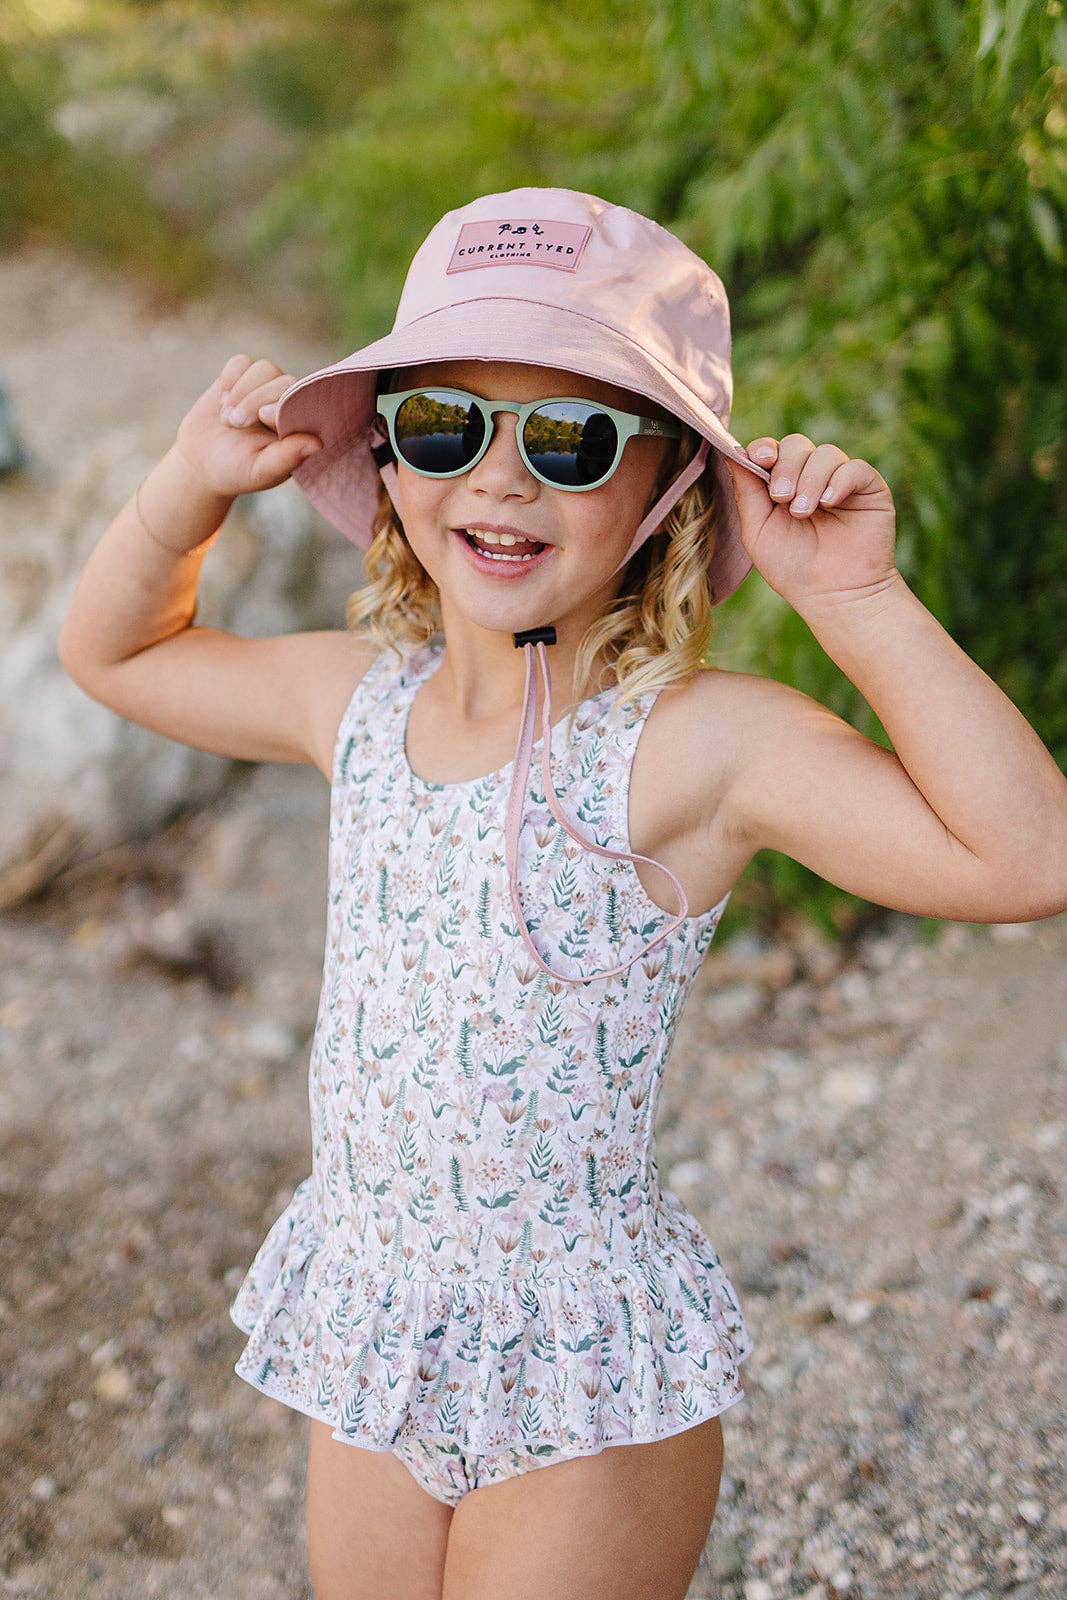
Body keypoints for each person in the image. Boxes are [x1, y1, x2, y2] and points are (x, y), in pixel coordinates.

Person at [57, 187, 1067, 1600]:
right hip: (378, 1318)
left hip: (581, 1375)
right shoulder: (355, 702)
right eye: (444, 425)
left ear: (668, 486)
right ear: (390, 455)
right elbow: (118, 655)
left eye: (571, 440)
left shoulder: (692, 746)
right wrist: (188, 487)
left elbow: (1027, 860)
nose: (500, 480)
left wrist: (856, 602)